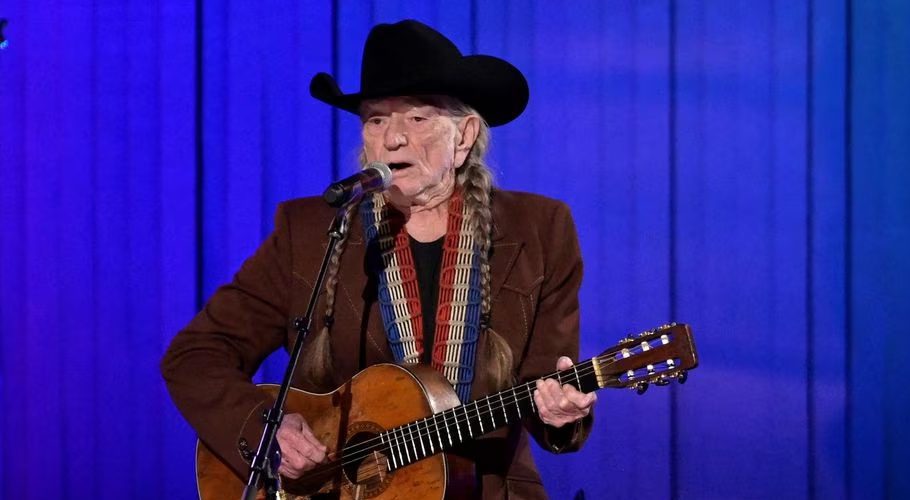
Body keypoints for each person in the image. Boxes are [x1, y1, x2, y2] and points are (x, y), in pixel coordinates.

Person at [162, 19, 596, 499]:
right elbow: (195, 356)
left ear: (465, 136)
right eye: (375, 119)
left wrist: (559, 409)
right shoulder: (309, 233)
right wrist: (267, 432)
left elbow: (546, 388)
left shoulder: (540, 229)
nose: (392, 139)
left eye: (417, 118)